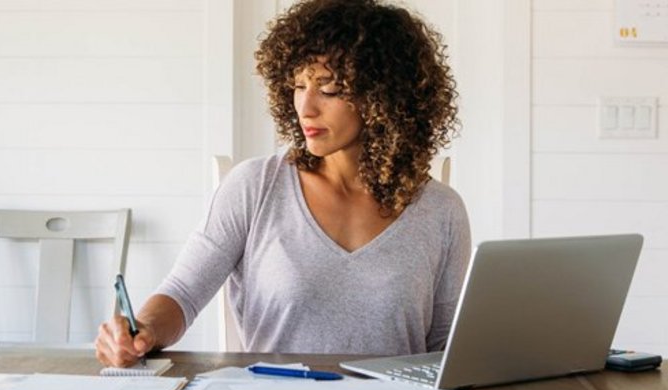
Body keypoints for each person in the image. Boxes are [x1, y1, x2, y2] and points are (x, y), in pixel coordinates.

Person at [95, 0, 471, 368]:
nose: (305, 107)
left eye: (329, 89)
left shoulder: (441, 210)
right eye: (298, 85)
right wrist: (141, 330)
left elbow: (445, 351)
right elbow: (181, 294)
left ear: (384, 98)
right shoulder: (255, 187)